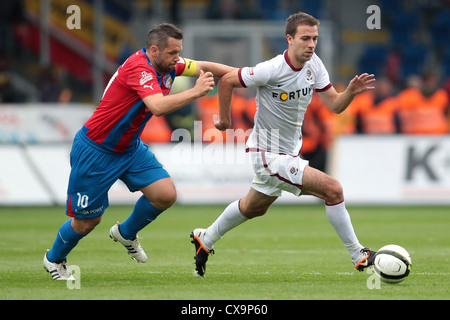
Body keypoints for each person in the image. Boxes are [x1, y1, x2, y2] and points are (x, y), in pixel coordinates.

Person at [43, 23, 235, 280]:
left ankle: (126, 232)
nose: (178, 58)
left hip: (129, 147)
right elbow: (156, 106)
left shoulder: (168, 64)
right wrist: (195, 92)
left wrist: (245, 76)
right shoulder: (139, 68)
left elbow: (202, 66)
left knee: (165, 194)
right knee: (87, 222)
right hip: (97, 150)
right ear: (154, 50)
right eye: (172, 53)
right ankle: (54, 259)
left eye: (179, 52)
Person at [190, 12, 377, 277]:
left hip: (288, 153)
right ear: (289, 39)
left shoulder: (315, 65)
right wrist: (224, 120)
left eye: (314, 38)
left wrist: (349, 92)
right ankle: (359, 255)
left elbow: (335, 105)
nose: (311, 44)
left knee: (253, 208)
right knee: (333, 190)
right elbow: (229, 80)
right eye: (305, 38)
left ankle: (205, 239)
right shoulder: (272, 69)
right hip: (267, 155)